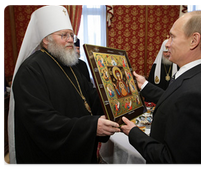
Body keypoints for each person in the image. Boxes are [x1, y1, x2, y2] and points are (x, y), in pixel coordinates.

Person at [8, 5, 120, 165]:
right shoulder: (30, 70)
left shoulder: (70, 65)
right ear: (46, 39)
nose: (70, 39)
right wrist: (91, 127)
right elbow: (41, 122)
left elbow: (89, 95)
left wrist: (113, 96)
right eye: (64, 35)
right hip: (50, 158)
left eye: (71, 35)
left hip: (78, 150)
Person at [121, 10, 201, 164]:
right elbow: (176, 100)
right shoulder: (198, 76)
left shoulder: (198, 95)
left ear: (194, 40)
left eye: (172, 37)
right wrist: (144, 85)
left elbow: (172, 160)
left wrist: (134, 133)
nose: (167, 43)